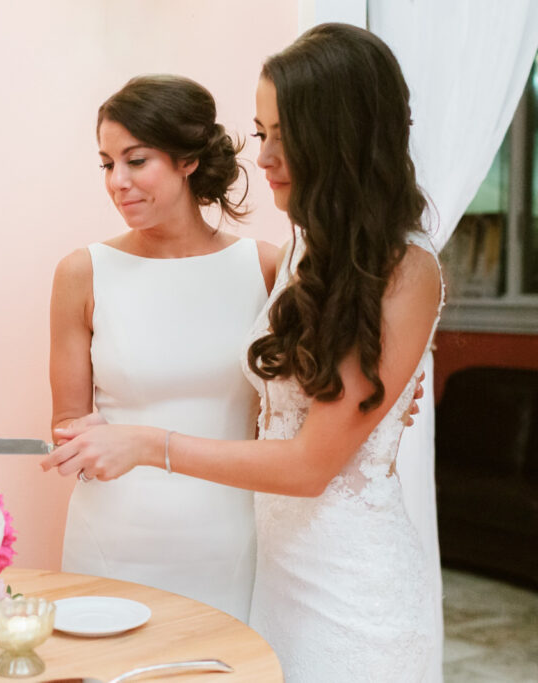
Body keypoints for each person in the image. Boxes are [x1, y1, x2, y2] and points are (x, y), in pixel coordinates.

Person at [43, 24, 442, 681]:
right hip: (276, 574)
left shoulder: (400, 265)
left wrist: (148, 443)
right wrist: (385, 394)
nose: (263, 157)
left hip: (346, 585)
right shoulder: (303, 252)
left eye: (282, 135)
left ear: (337, 133)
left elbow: (316, 459)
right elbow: (307, 386)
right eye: (262, 135)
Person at [49, 74, 278, 622]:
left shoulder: (266, 268)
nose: (118, 182)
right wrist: (79, 442)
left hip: (229, 538)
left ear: (188, 160)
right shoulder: (83, 273)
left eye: (136, 160)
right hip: (111, 539)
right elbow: (67, 424)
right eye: (107, 164)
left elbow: (294, 416)